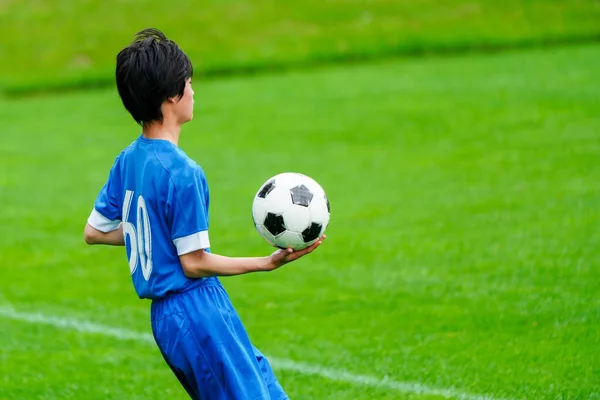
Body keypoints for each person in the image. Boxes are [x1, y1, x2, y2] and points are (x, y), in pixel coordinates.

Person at [83, 28, 325, 400]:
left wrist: (153, 239)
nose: (193, 91)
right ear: (171, 96)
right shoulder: (183, 172)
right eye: (189, 83)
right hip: (196, 310)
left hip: (168, 319)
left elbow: (95, 232)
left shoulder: (128, 160)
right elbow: (194, 263)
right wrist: (265, 263)